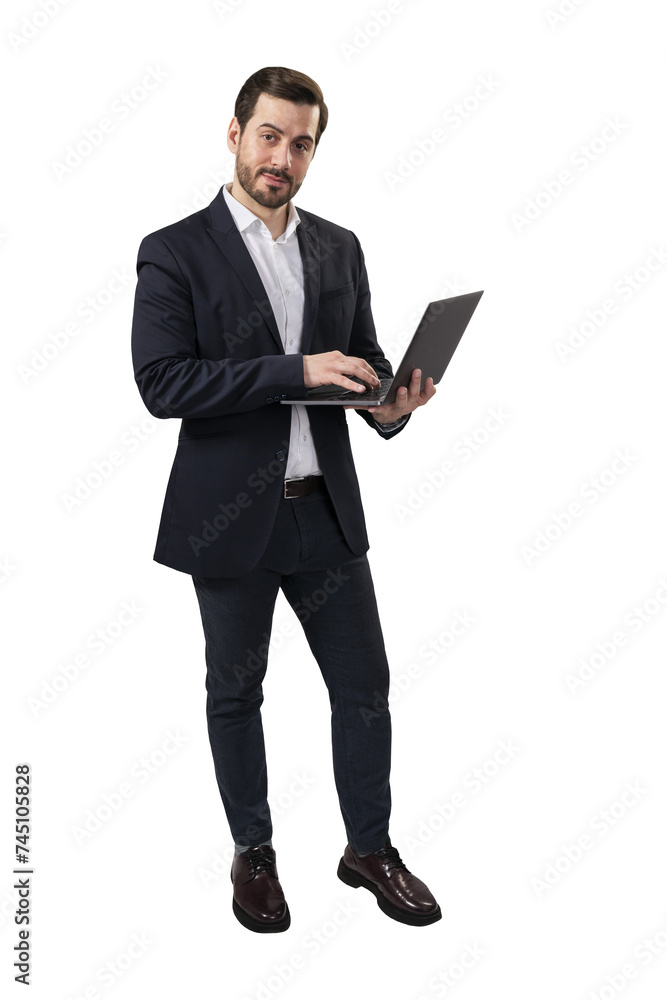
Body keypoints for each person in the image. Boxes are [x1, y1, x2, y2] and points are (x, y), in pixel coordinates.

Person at [131, 66, 441, 932]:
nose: (282, 156)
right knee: (236, 693)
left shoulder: (338, 246)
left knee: (365, 689)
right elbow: (162, 383)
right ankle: (253, 854)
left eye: (300, 142)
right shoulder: (175, 248)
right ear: (234, 135)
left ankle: (367, 848)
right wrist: (294, 372)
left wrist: (387, 405)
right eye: (268, 136)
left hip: (324, 511)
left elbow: (365, 360)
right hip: (229, 518)